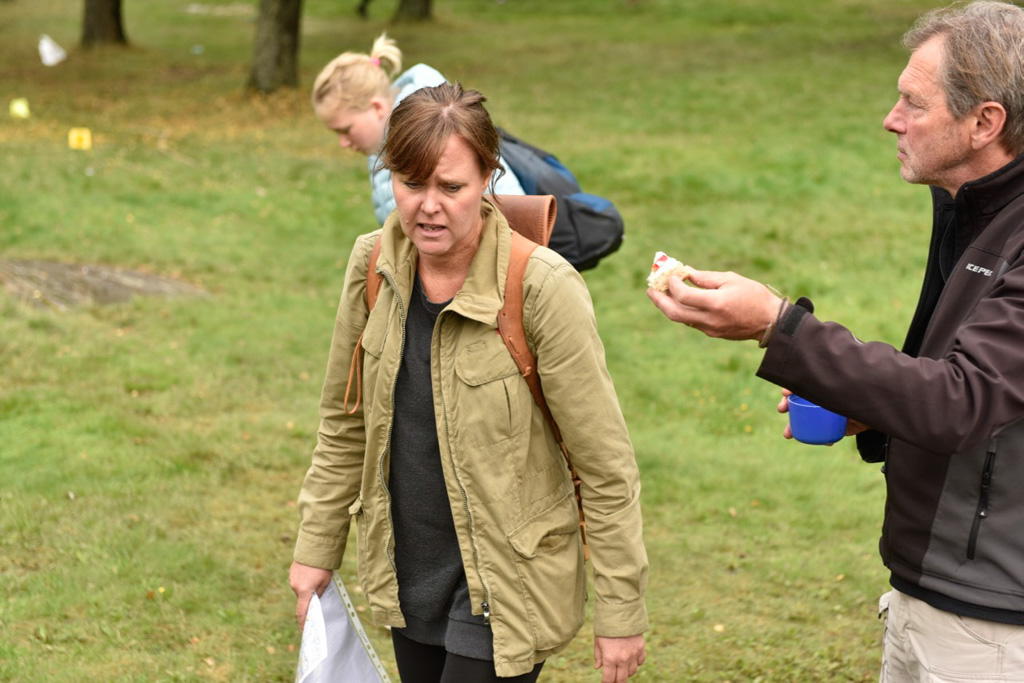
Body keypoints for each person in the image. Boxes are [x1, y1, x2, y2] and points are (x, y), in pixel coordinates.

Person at [648, 1, 1024, 679]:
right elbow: (977, 383)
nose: (891, 119)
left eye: (913, 103)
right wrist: (869, 410)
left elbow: (962, 401)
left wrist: (776, 324)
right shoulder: (972, 210)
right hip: (933, 586)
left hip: (990, 622)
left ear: (984, 123)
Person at [290, 82, 648, 682]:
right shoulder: (372, 265)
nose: (428, 206)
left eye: (451, 187)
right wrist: (315, 547)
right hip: (410, 573)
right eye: (411, 183)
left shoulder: (542, 286)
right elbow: (344, 423)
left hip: (506, 583)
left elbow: (605, 467)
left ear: (488, 177)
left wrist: (621, 611)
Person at [311, 33, 524, 225]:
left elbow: (508, 215)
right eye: (413, 184)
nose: (343, 143)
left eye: (345, 130)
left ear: (377, 107)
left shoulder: (434, 131)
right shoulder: (382, 145)